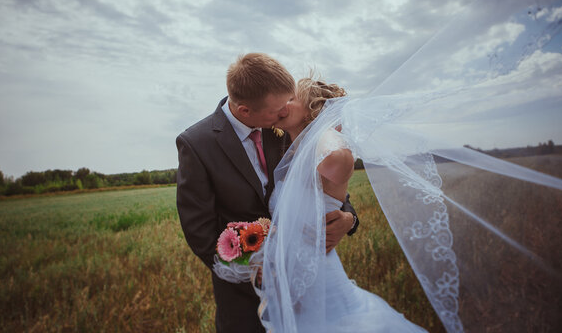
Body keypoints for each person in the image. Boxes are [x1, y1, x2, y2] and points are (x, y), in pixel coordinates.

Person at [176, 53, 360, 333]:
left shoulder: (285, 123)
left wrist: (349, 218)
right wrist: (253, 269)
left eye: (289, 102)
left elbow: (324, 188)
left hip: (310, 284)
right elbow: (199, 230)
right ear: (244, 111)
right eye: (278, 109)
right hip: (244, 301)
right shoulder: (196, 143)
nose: (284, 111)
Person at [258, 77, 427, 332]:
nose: (284, 102)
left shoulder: (320, 139)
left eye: (291, 98)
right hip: (294, 287)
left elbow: (340, 160)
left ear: (314, 109)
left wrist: (323, 133)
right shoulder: (292, 152)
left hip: (322, 281)